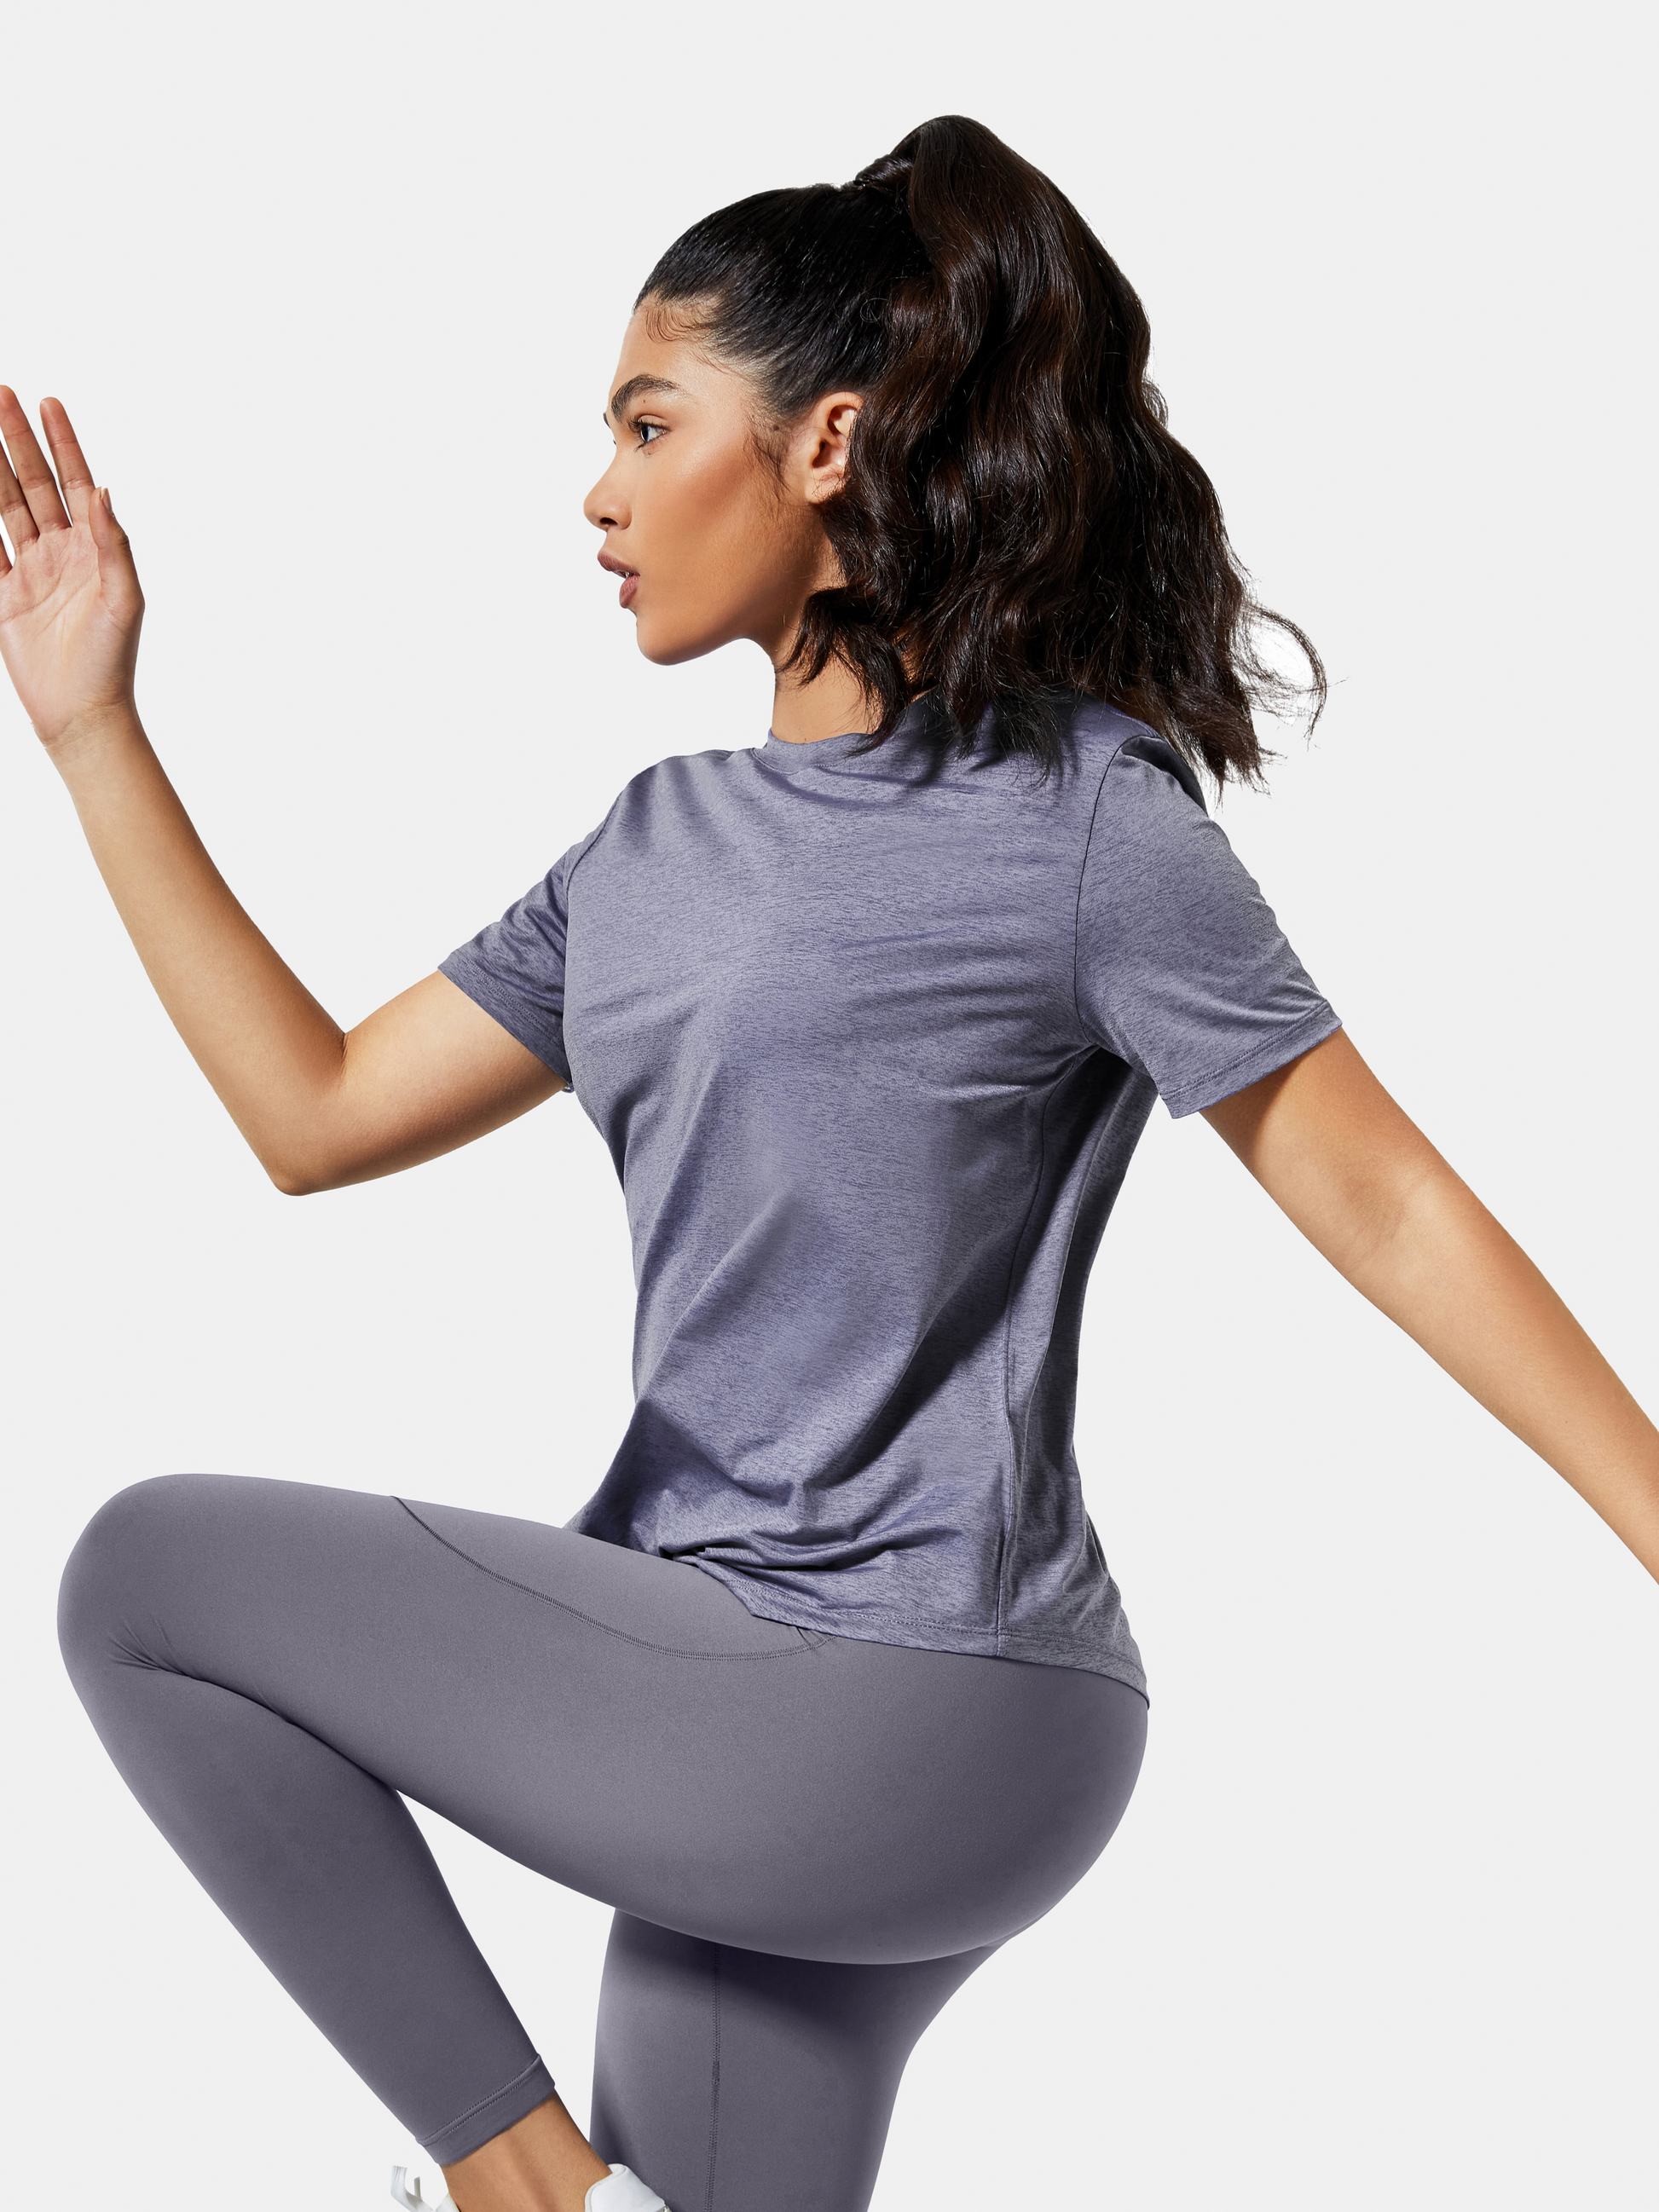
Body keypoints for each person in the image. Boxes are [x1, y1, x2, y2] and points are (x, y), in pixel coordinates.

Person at [3, 113, 1655, 2212]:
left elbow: (1382, 1195)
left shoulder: (1077, 821)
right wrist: (91, 726)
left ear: (823, 444)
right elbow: (309, 1110)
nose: (597, 491)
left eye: (647, 419)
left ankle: (519, 2192)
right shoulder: (645, 851)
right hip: (766, 1715)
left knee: (153, 1579)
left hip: (901, 1702)